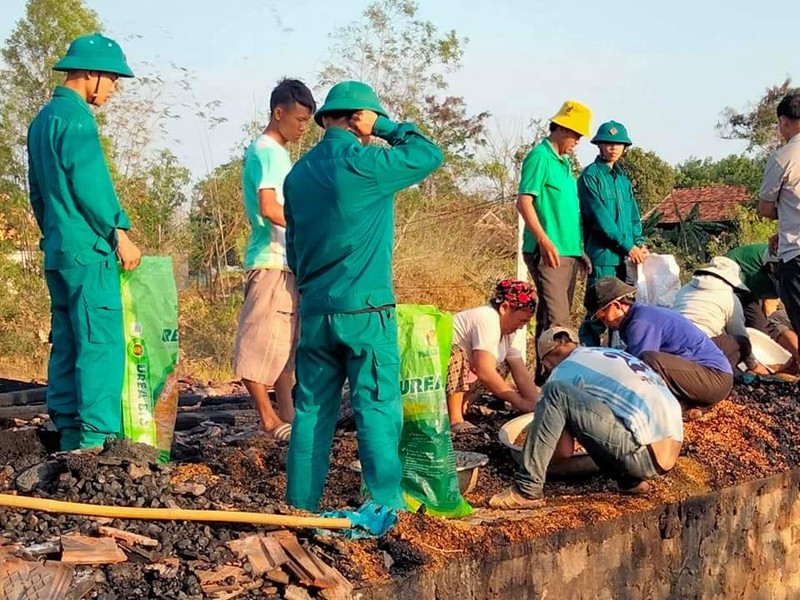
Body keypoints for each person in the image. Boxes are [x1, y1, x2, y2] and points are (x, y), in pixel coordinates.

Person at [283, 81, 444, 511]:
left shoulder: (297, 176)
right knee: (376, 408)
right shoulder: (369, 161)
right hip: (367, 311)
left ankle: (298, 508)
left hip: (317, 312)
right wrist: (387, 126)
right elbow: (430, 154)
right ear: (360, 118)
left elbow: (294, 250)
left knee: (312, 413)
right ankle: (386, 507)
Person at [26, 34, 141, 451]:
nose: (112, 89)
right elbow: (91, 184)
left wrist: (54, 232)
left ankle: (70, 431)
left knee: (68, 340)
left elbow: (37, 192)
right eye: (112, 79)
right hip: (89, 251)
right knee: (99, 342)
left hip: (58, 250)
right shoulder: (76, 119)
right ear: (91, 74)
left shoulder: (42, 120)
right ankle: (96, 439)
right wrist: (119, 232)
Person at [489, 327, 683, 509]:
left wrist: (538, 455)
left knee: (554, 392)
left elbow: (564, 451)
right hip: (669, 447)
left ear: (546, 362)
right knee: (602, 411)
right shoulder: (603, 354)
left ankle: (527, 488)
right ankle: (630, 481)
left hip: (642, 454)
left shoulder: (562, 371)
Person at [232, 79, 316, 441]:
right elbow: (269, 207)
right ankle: (268, 417)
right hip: (271, 259)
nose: (302, 128)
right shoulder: (268, 151)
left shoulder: (278, 153)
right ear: (278, 113)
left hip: (285, 262)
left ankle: (286, 413)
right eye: (298, 120)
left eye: (306, 122)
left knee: (285, 344)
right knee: (260, 339)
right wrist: (310, 224)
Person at [515, 100, 592, 384]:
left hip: (568, 252)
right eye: (575, 134)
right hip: (547, 251)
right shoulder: (539, 157)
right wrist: (544, 240)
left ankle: (542, 381)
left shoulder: (565, 164)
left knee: (550, 318)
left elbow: (565, 212)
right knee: (561, 325)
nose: (577, 141)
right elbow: (524, 202)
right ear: (560, 127)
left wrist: (577, 249)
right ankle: (565, 385)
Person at [587, 277, 733, 413]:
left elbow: (634, 368)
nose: (605, 323)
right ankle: (686, 405)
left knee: (648, 360)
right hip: (703, 378)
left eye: (603, 317)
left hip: (715, 379)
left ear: (616, 305)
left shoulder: (641, 322)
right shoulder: (638, 317)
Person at [578, 121, 646, 346]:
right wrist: (629, 246)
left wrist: (639, 243)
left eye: (618, 143)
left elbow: (634, 217)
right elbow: (601, 220)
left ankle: (618, 360)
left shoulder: (623, 180)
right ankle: (588, 359)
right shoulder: (590, 176)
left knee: (625, 313)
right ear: (599, 145)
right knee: (598, 314)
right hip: (603, 258)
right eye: (608, 143)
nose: (614, 147)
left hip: (627, 260)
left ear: (624, 147)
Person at [446, 280, 539, 434]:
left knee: (503, 364)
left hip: (464, 377)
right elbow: (484, 371)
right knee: (457, 354)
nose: (522, 326)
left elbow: (520, 371)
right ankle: (454, 419)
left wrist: (535, 404)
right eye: (521, 320)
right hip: (443, 372)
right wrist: (519, 402)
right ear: (504, 308)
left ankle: (463, 404)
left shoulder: (509, 331)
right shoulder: (487, 318)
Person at [672, 257, 767, 374]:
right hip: (700, 345)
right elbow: (738, 333)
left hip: (673, 340)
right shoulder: (729, 297)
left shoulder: (685, 288)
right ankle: (722, 373)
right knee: (742, 343)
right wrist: (754, 366)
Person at [758, 90, 800, 339]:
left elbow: (765, 208)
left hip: (795, 254)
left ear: (784, 121)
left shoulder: (784, 157)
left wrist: (783, 220)